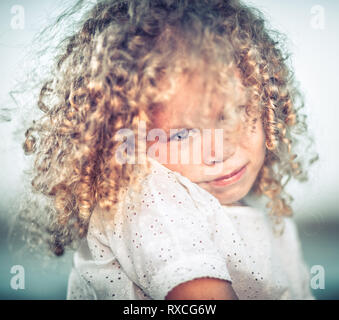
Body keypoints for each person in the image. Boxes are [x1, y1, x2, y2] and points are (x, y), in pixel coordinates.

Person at [20, 0, 317, 299]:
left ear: (267, 101)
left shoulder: (269, 219)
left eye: (236, 112)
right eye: (183, 134)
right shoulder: (150, 200)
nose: (222, 149)